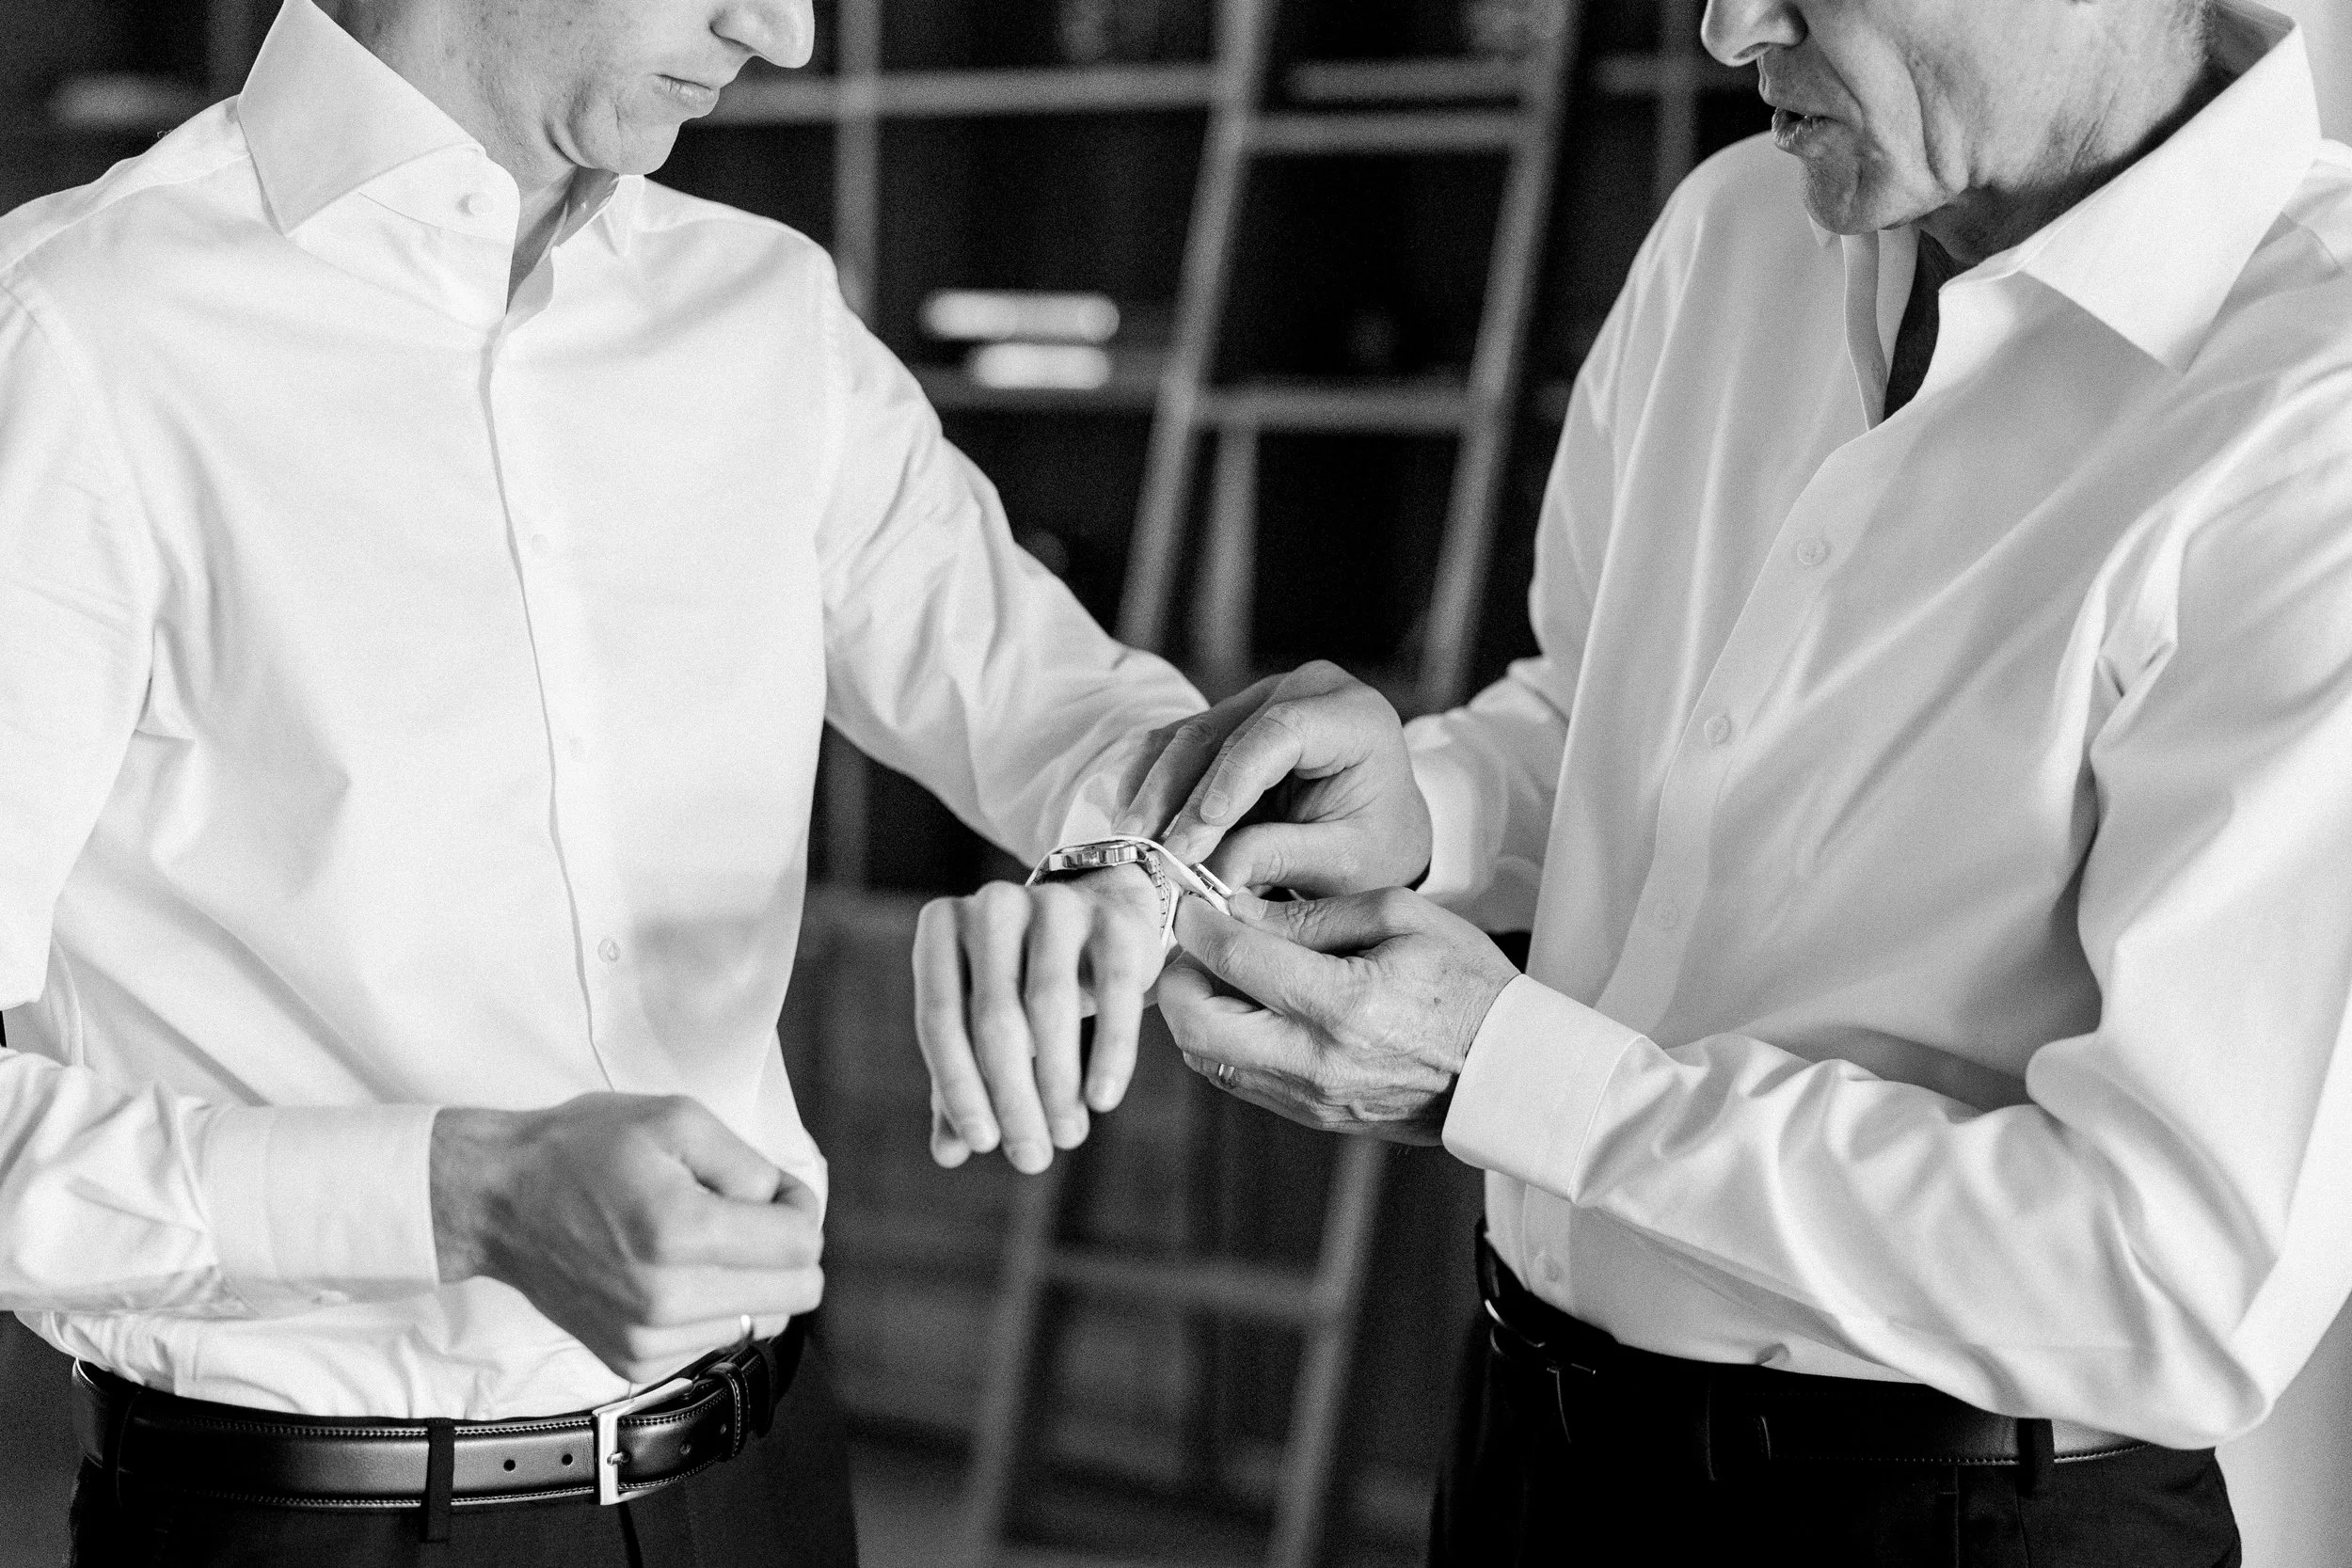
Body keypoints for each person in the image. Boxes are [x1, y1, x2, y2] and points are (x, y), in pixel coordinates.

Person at [930, 0, 2352, 1561]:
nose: (1729, 26)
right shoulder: (1737, 231)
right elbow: (1598, 713)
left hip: (1949, 1525)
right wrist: (1429, 807)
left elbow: (2171, 1278)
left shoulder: (2319, 409)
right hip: (1524, 1450)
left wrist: (1509, 1076)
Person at [0, 0, 1196, 1561]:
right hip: (313, 1526)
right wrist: (455, 1195)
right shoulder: (73, 333)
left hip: (767, 1478)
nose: (782, 35)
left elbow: (1072, 716)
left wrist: (1134, 864)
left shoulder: (765, 311)